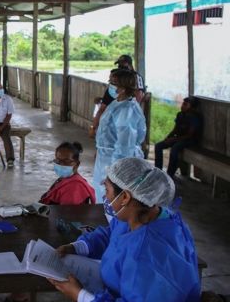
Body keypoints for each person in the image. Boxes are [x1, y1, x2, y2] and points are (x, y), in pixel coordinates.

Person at [50, 158, 200, 301]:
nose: (105, 197)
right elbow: (112, 234)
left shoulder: (144, 257)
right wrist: (77, 247)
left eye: (107, 190)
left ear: (125, 197)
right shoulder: (143, 214)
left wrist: (80, 296)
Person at [92, 69, 146, 201]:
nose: (110, 85)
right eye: (110, 81)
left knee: (111, 195)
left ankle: (112, 221)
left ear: (122, 88)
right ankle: (105, 219)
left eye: (113, 82)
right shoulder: (117, 103)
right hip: (105, 156)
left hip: (114, 160)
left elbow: (125, 146)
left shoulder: (127, 110)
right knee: (101, 193)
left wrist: (115, 172)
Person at [155, 97, 202, 178]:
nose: (182, 106)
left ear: (191, 107)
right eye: (182, 104)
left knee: (175, 148)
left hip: (190, 140)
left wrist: (174, 139)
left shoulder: (194, 118)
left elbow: (189, 135)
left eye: (185, 104)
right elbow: (175, 129)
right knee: (158, 146)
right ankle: (158, 171)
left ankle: (169, 174)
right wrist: (168, 138)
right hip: (179, 139)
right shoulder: (180, 115)